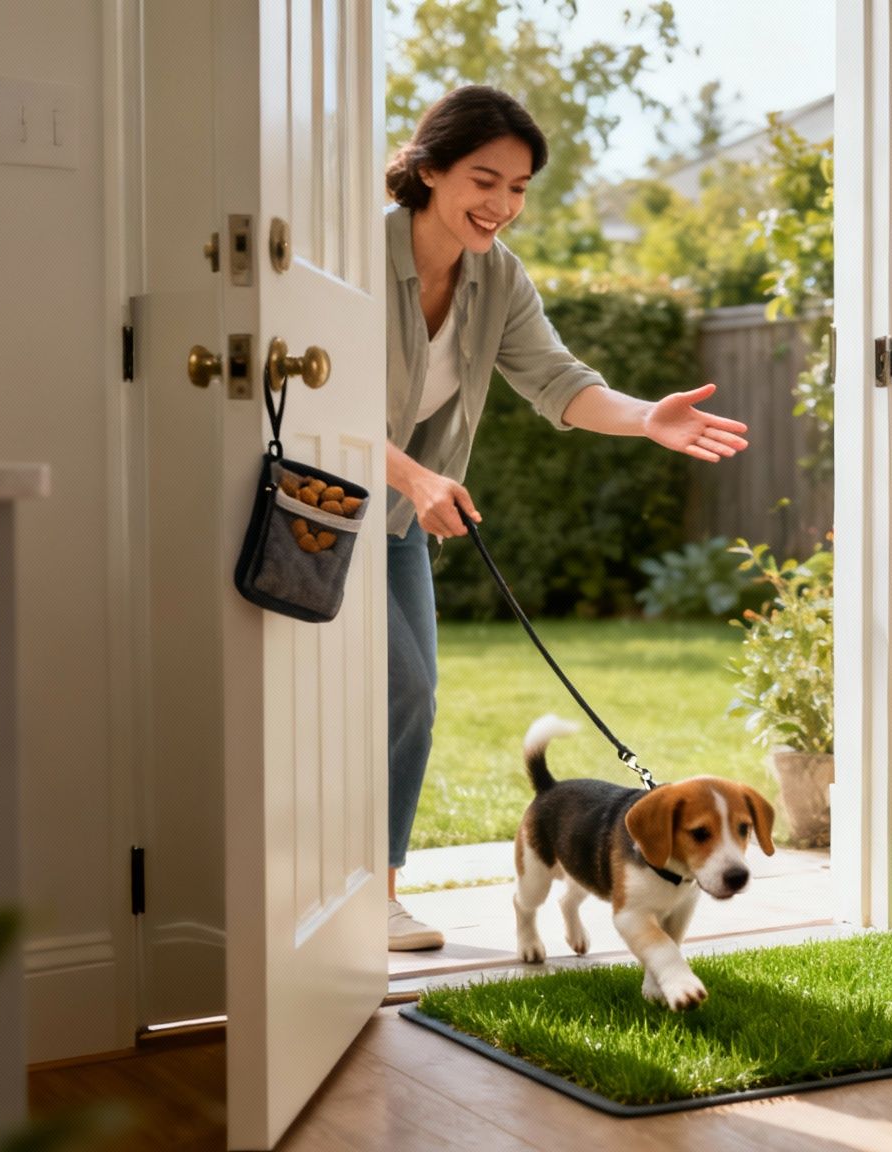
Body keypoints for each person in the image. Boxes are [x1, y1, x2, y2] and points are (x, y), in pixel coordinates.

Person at [382, 85, 750, 949]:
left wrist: (645, 417)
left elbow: (557, 380)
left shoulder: (496, 276)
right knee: (374, 689)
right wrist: (413, 475)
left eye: (518, 189)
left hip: (397, 517)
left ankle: (374, 890)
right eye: (484, 180)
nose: (502, 206)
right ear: (429, 167)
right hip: (319, 504)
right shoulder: (357, 256)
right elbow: (315, 395)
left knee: (413, 697)